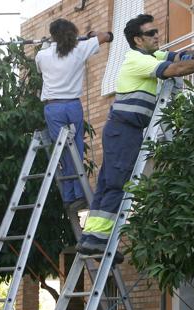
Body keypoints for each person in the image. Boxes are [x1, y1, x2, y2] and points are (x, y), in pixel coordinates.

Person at [76, 14, 194, 260]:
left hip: (125, 130)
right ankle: (98, 239)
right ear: (137, 40)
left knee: (109, 182)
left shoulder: (152, 55)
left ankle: (92, 239)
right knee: (117, 183)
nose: (157, 36)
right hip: (124, 130)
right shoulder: (135, 60)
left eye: (156, 31)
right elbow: (174, 69)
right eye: (151, 33)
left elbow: (175, 56)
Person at [35, 18, 113, 211]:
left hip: (53, 108)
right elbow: (107, 36)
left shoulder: (43, 55)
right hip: (72, 106)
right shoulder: (80, 49)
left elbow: (41, 65)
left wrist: (46, 43)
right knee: (75, 148)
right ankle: (78, 194)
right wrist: (94, 35)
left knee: (61, 152)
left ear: (53, 35)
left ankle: (70, 195)